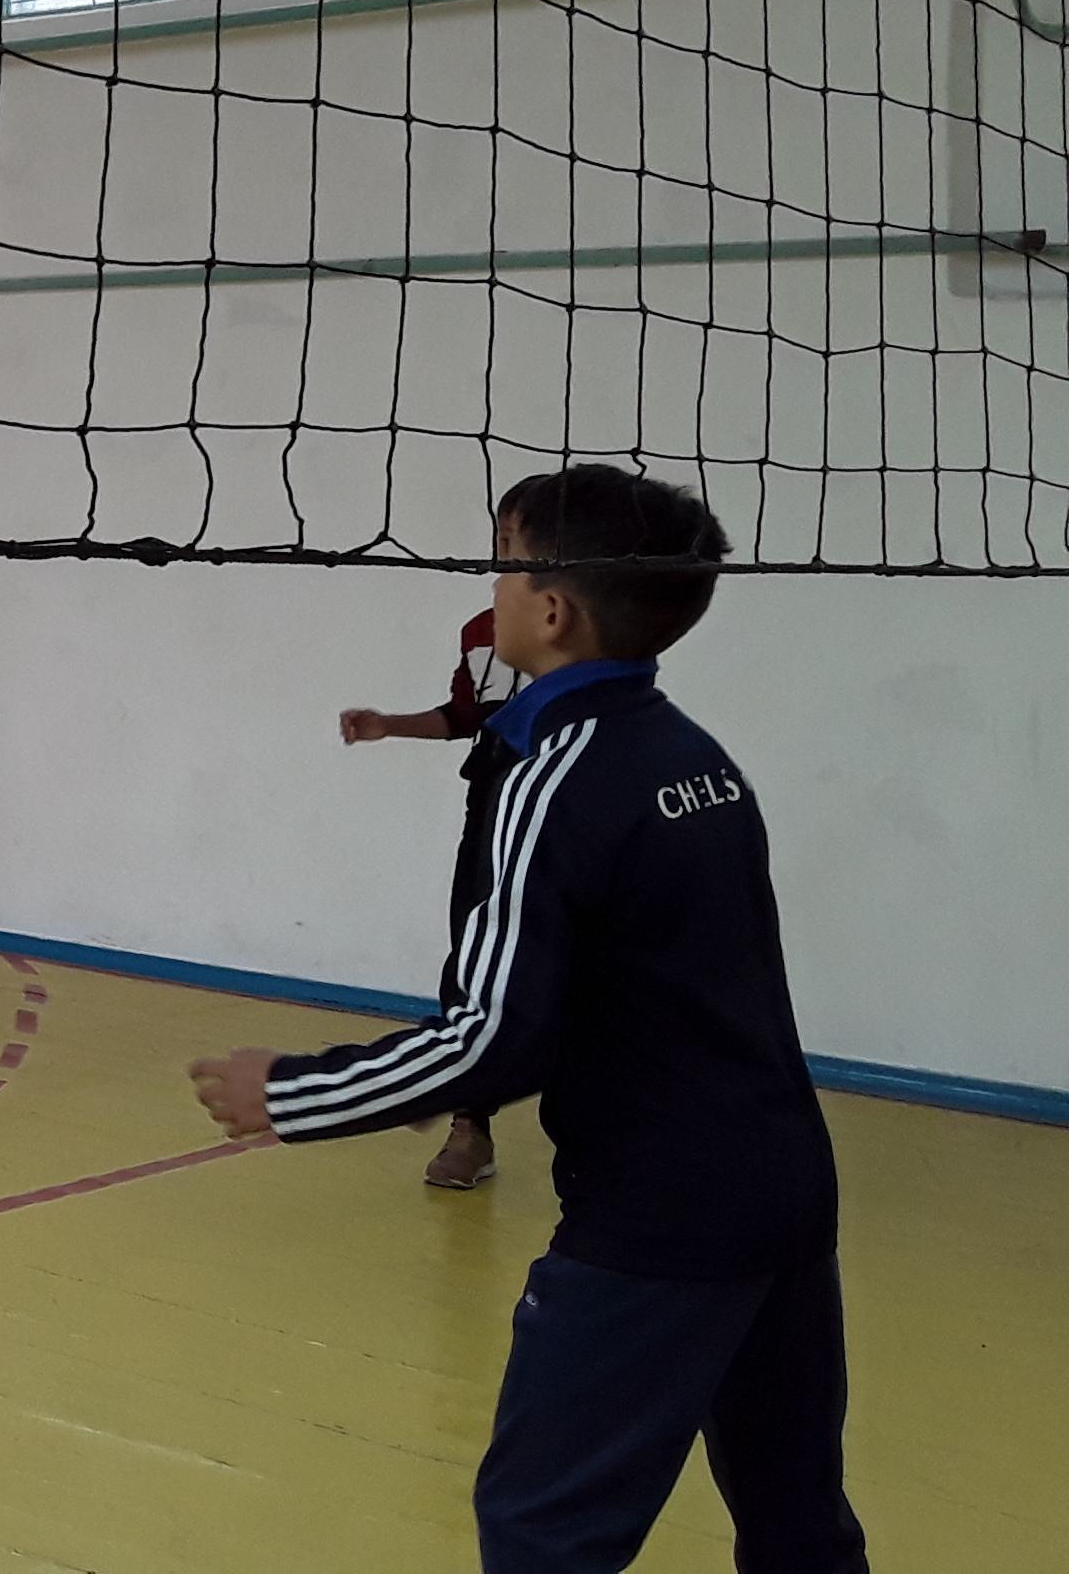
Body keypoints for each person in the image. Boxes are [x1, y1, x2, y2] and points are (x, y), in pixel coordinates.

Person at [190, 466, 862, 1574]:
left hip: (660, 1219)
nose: (490, 586)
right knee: (798, 1523)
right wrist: (451, 1078)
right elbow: (634, 989)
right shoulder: (694, 757)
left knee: (543, 1535)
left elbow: (494, 1033)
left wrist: (294, 1091)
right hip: (785, 1191)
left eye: (503, 563)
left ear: (551, 612)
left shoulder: (556, 779)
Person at [338, 490, 528, 1191]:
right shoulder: (482, 630)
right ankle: (469, 1124)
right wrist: (389, 724)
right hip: (493, 802)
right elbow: (464, 715)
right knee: (475, 954)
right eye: (502, 540)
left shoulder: (598, 630)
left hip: (568, 805)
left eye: (523, 540)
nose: (508, 554)